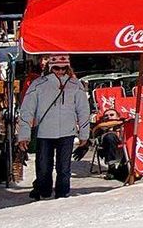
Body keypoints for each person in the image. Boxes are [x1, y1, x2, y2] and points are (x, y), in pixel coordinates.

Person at [15, 55, 91, 201]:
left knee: (64, 168)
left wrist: (84, 135)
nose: (60, 71)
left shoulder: (75, 85)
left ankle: (62, 195)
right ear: (50, 68)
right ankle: (44, 193)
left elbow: (83, 111)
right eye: (57, 68)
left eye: (64, 68)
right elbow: (27, 110)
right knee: (43, 168)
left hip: (67, 132)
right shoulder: (38, 84)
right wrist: (24, 135)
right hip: (45, 132)